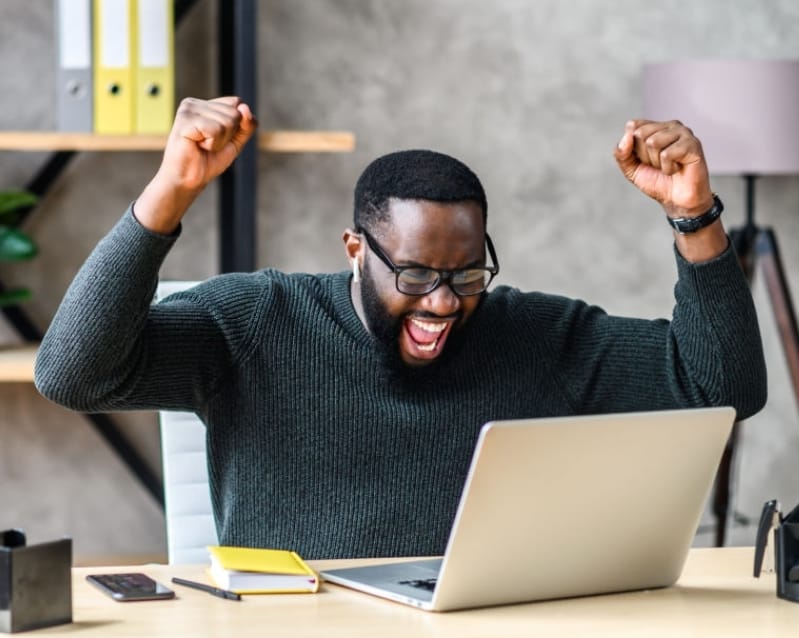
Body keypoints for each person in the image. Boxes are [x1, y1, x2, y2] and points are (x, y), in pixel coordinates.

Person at [35, 97, 767, 559]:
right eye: (414, 275)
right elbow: (71, 374)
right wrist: (170, 194)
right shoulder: (255, 321)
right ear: (356, 249)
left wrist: (692, 217)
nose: (443, 304)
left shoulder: (536, 334)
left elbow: (722, 387)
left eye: (467, 276)